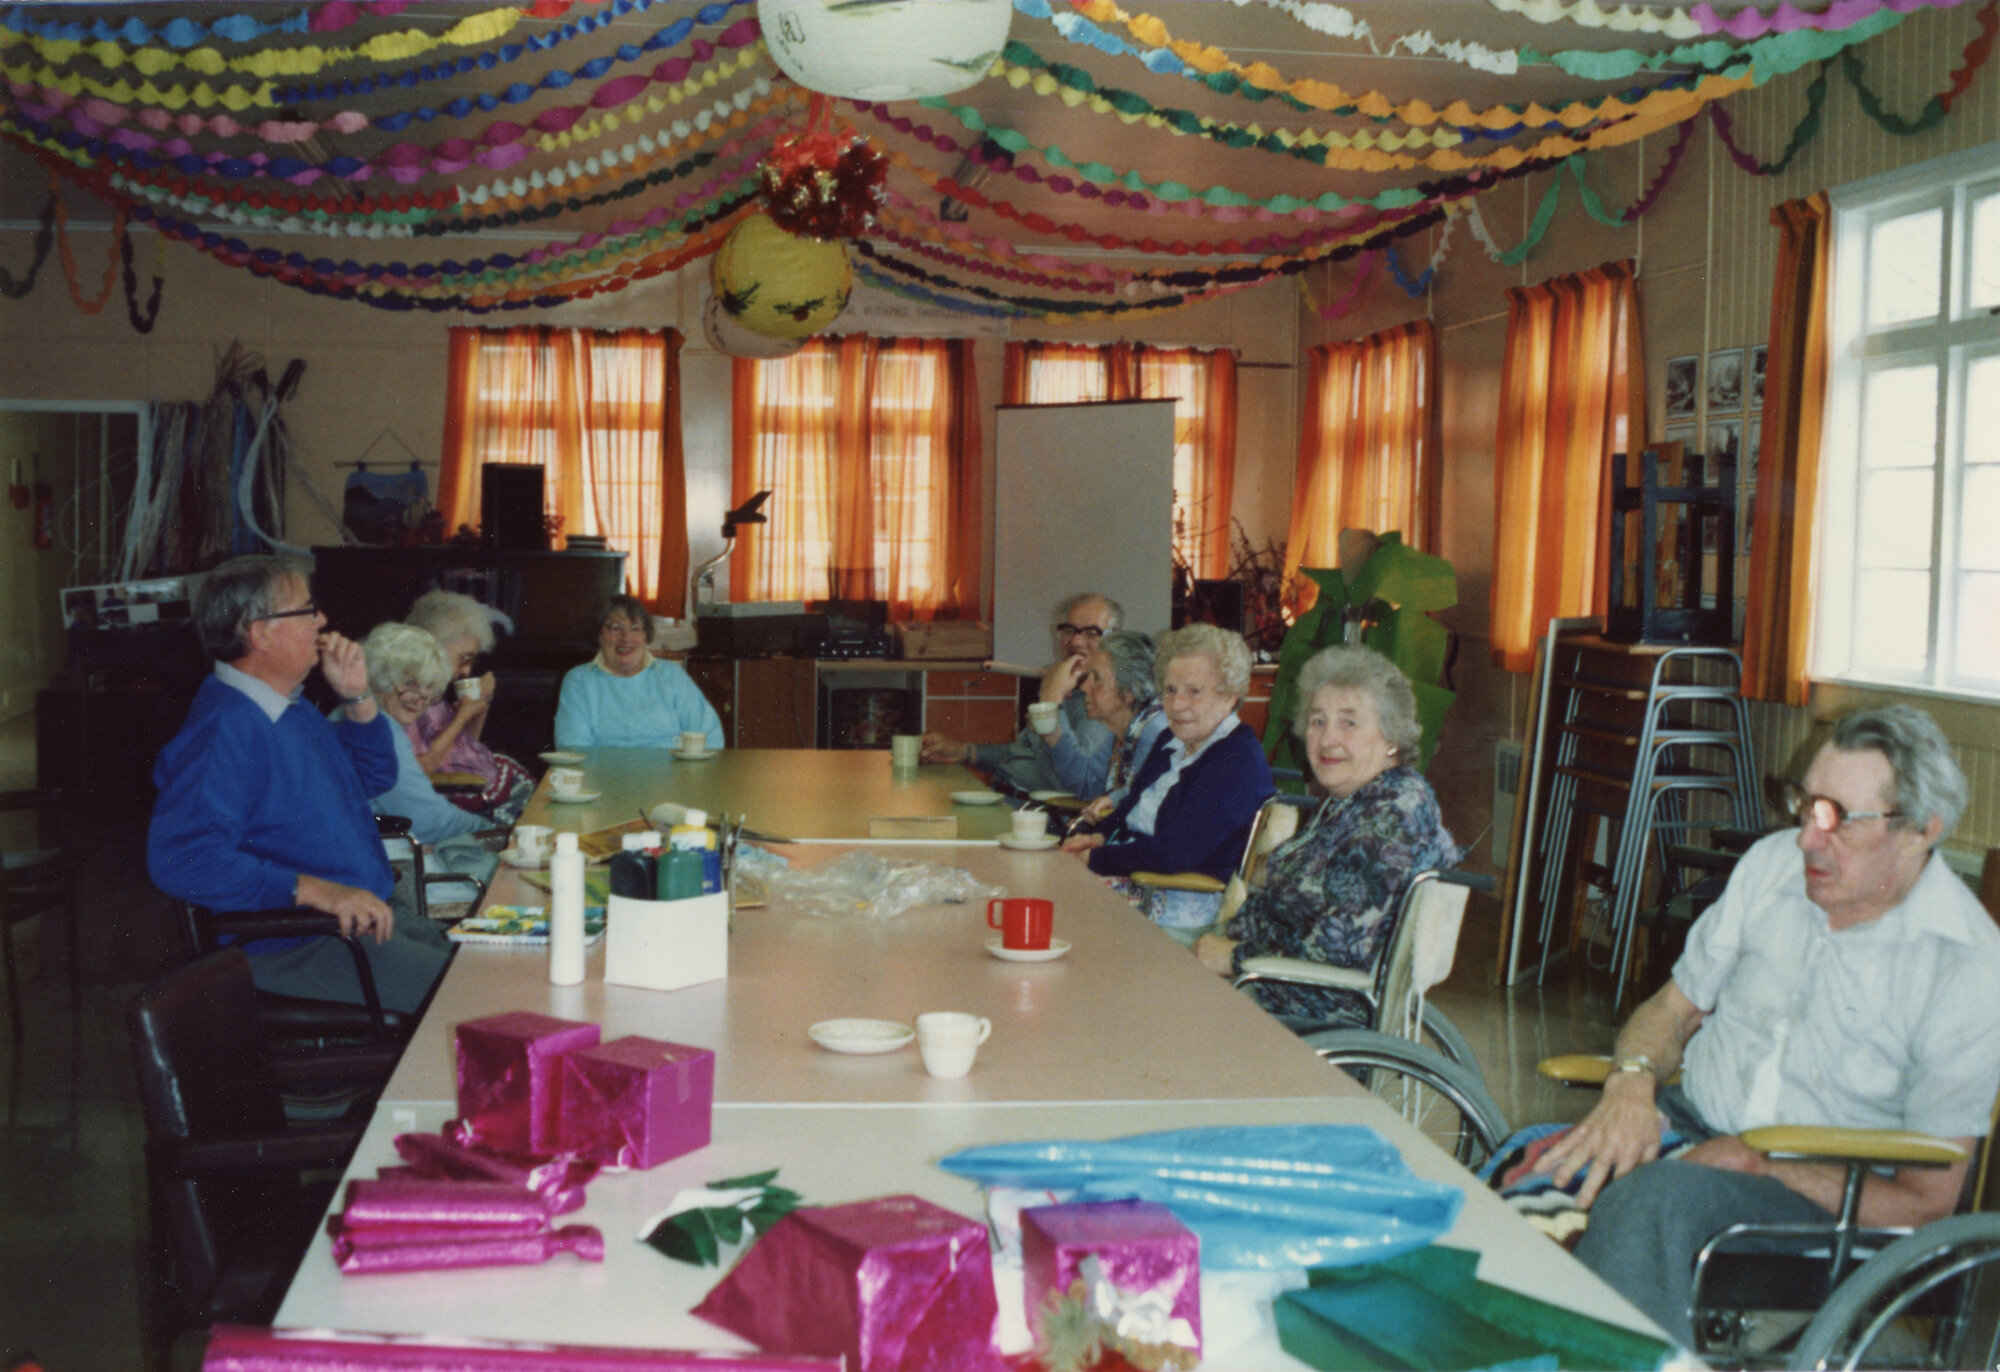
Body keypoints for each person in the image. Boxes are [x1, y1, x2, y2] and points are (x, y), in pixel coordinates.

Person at [1532, 705, 2000, 1347]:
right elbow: (1673, 1009)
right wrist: (1631, 1086)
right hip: (1692, 1128)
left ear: (1920, 831)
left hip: (1819, 1198)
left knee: (1648, 1207)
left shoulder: (1967, 967)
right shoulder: (1772, 865)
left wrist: (1761, 1163)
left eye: (1837, 817)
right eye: (1805, 806)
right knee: (1528, 1162)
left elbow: (1926, 1202)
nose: (1808, 837)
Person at [147, 555, 452, 1015]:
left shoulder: (284, 707)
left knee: (484, 963)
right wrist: (315, 890)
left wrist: (356, 696)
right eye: (307, 610)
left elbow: (372, 778)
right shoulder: (225, 731)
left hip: (354, 923)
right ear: (260, 632)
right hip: (296, 944)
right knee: (476, 1000)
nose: (322, 621)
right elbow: (183, 858)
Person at [1194, 646, 1458, 1026]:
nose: (1327, 739)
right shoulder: (1353, 799)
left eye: (1349, 723)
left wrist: (1233, 956)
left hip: (1300, 1009)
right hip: (1266, 982)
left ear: (1391, 737)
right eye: (1318, 721)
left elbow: (1337, 948)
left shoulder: (1391, 813)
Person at [1063, 624, 1274, 940]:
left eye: (1194, 691)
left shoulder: (1234, 759)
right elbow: (1131, 806)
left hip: (1178, 902)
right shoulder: (1172, 741)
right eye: (1171, 690)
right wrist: (1097, 837)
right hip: (1138, 877)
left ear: (1230, 697)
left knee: (1059, 917)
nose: (1176, 705)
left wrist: (1094, 858)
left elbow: (1176, 853)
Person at [921, 592, 1121, 796]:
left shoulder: (1104, 701)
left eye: (1092, 633)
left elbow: (1081, 784)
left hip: (1036, 814)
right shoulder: (1065, 686)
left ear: (1115, 640)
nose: (1076, 641)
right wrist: (963, 751)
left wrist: (1052, 706)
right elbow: (1022, 754)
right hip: (1002, 795)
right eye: (1070, 630)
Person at [404, 589, 533, 822]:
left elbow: (464, 747)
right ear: (433, 647)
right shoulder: (408, 698)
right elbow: (419, 769)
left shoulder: (433, 692)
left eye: (473, 659)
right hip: (461, 799)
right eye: (464, 658)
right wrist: (461, 717)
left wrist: (480, 707)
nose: (467, 670)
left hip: (475, 785)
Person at [355, 622, 485, 846]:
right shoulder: (377, 730)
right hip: (378, 855)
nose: (420, 699)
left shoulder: (364, 715)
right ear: (379, 677)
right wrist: (491, 830)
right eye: (410, 683)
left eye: (430, 688)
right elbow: (429, 822)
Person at [554, 593, 724, 750]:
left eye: (635, 629)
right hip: (607, 777)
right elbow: (573, 747)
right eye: (615, 628)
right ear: (599, 635)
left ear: (646, 636)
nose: (626, 638)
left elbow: (710, 735)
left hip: (673, 777)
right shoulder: (579, 681)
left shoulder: (671, 675)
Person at [1061, 630, 1167, 808]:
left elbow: (1148, 806)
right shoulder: (1123, 730)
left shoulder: (1153, 733)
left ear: (1129, 692)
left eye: (1096, 678)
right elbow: (1089, 787)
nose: (1085, 687)